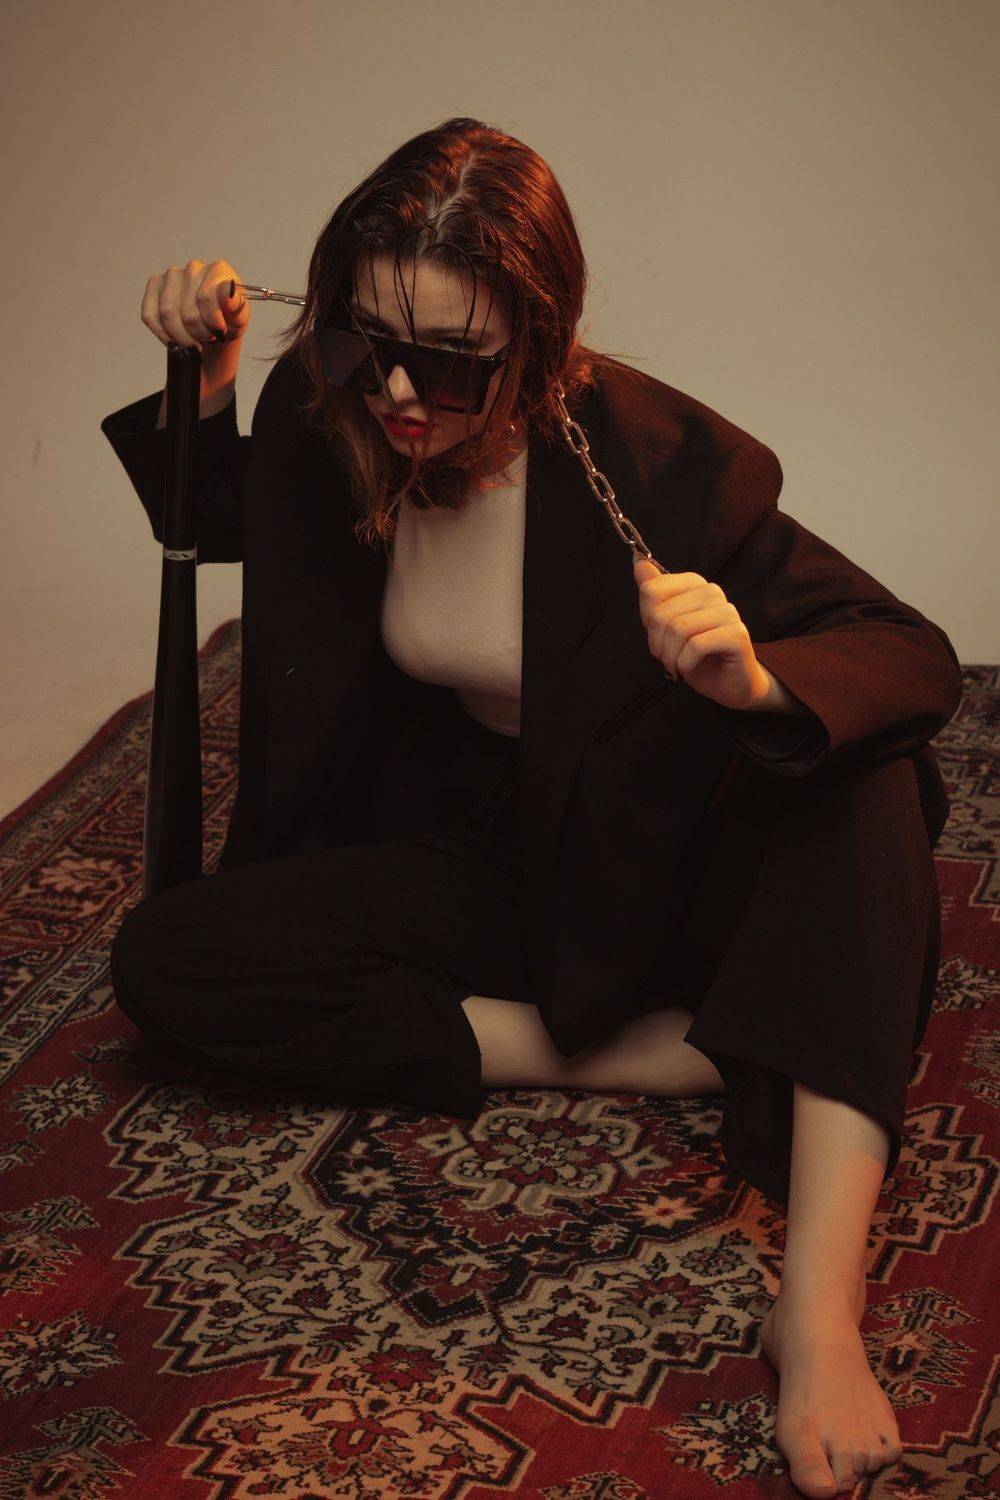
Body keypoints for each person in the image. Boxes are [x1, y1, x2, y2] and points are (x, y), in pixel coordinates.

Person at [100, 116, 962, 1499]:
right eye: (360, 340)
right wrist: (203, 387)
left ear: (543, 348)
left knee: (869, 784)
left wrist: (750, 677)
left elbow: (907, 653)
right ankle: (661, 1053)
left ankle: (817, 1307)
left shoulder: (660, 460)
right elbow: (236, 527)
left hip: (654, 841)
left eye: (449, 362)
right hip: (484, 843)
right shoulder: (333, 412)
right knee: (168, 959)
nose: (398, 391)